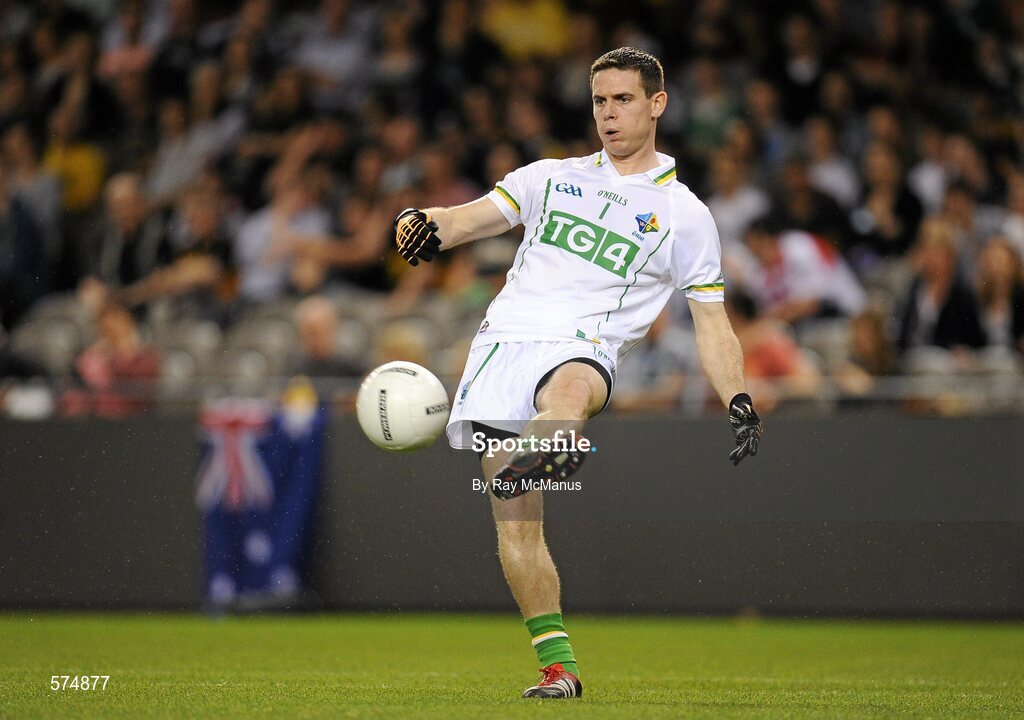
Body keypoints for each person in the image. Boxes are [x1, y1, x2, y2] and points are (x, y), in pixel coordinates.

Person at [391, 47, 765, 700]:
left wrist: (737, 398)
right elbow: (463, 220)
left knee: (567, 394)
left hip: (583, 346)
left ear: (657, 104)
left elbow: (712, 323)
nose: (609, 114)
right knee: (515, 518)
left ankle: (554, 443)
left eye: (623, 100)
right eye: (599, 101)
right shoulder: (548, 178)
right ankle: (558, 669)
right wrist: (416, 221)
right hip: (501, 349)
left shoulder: (684, 215)